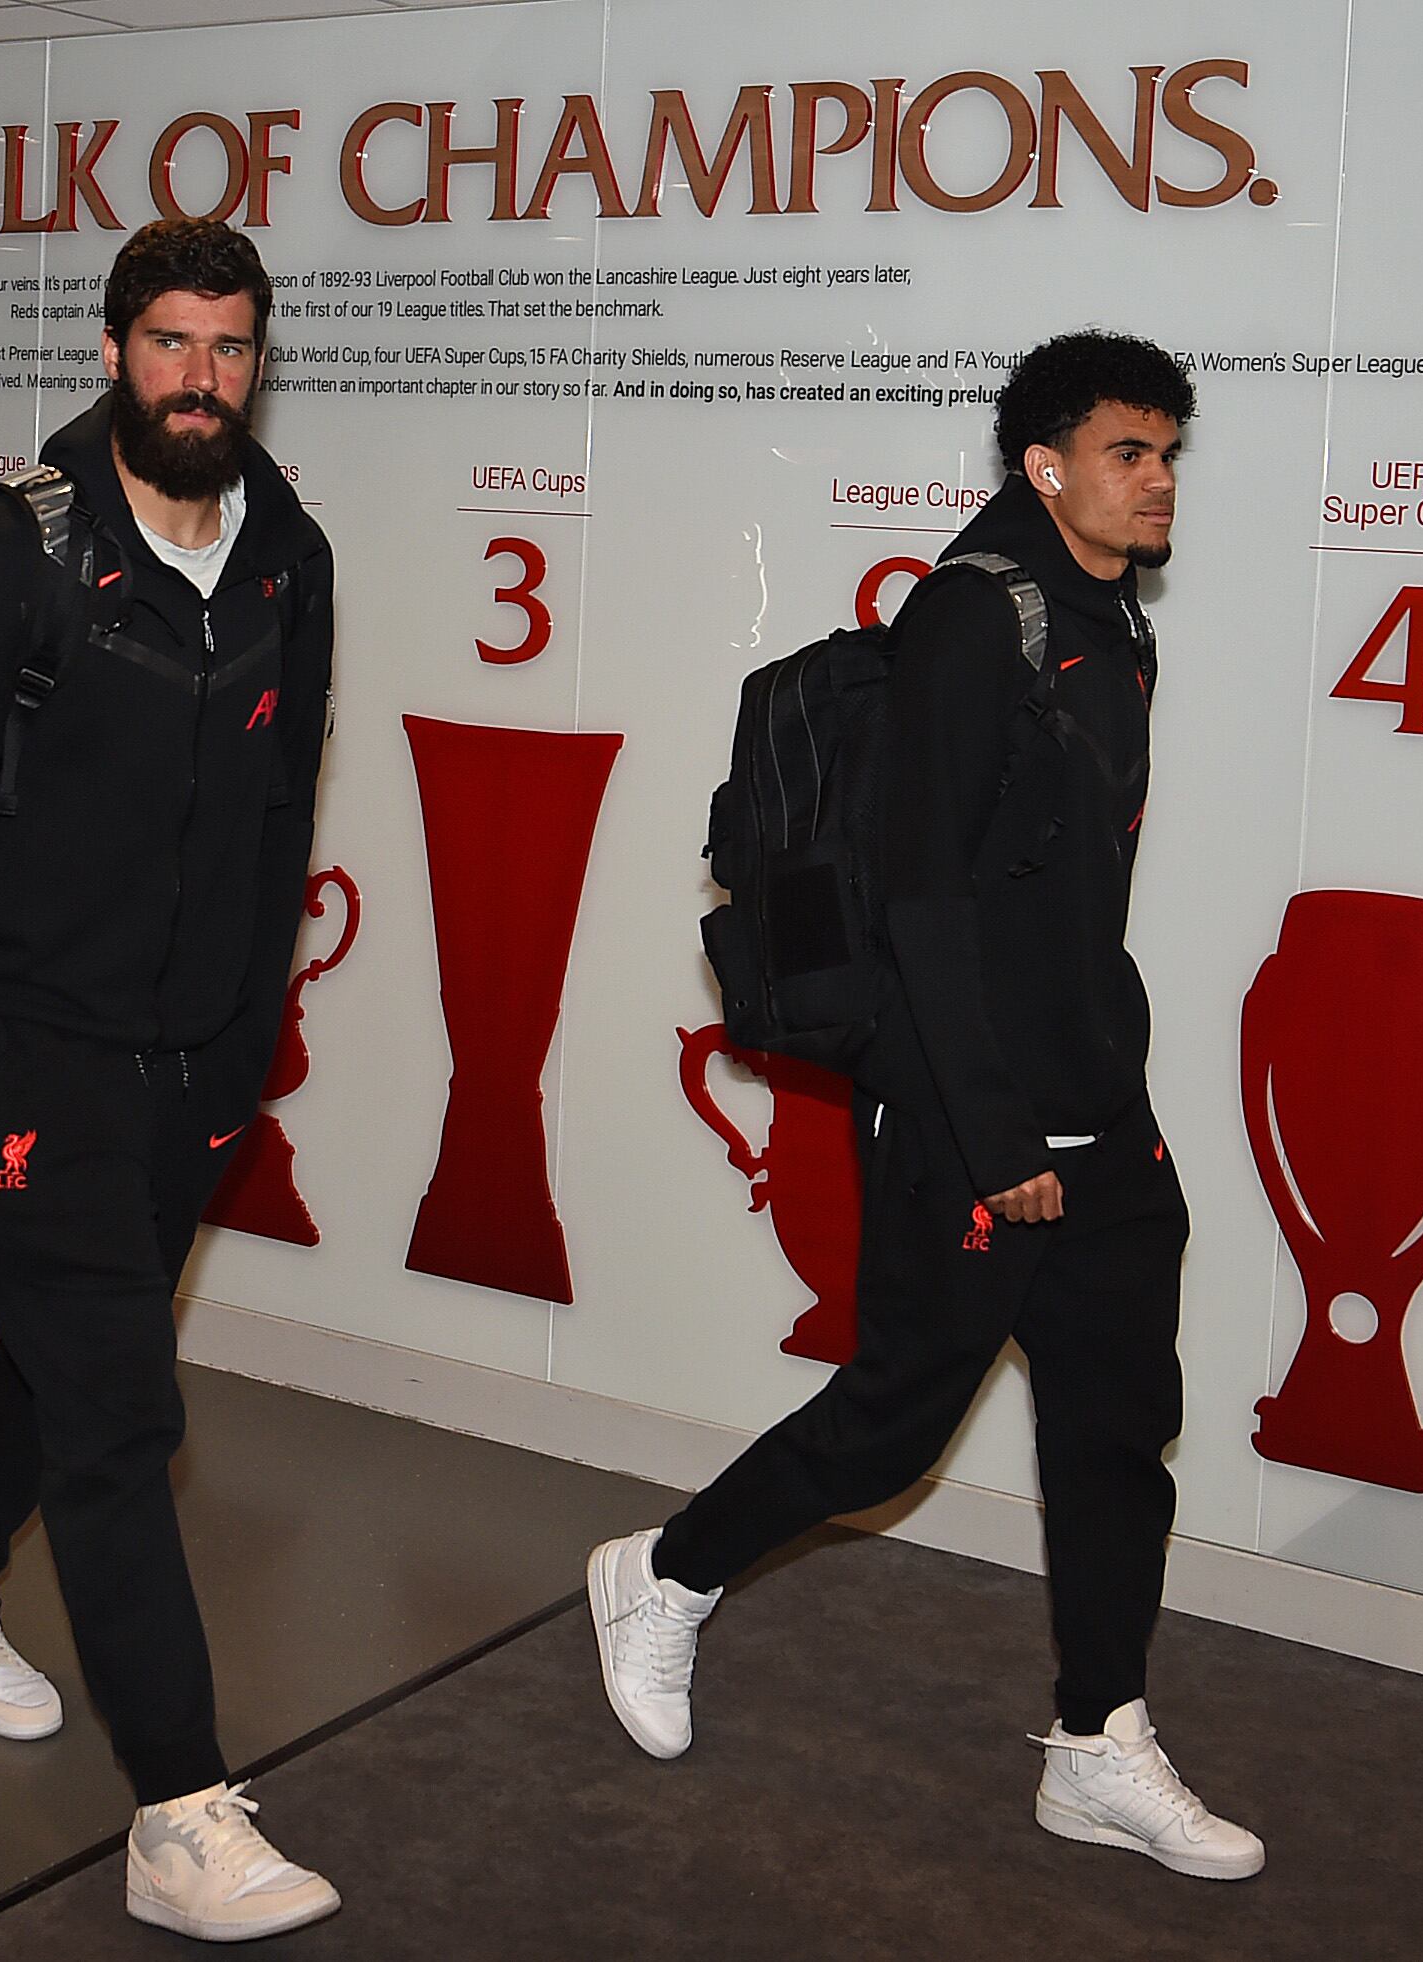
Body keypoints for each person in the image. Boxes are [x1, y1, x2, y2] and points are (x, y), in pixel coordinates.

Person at [589, 331, 1263, 1882]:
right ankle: (666, 1573)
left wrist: (1098, 1088)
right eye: (1129, 453)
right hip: (980, 1115)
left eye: (1169, 453)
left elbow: (1065, 895)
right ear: (1046, 466)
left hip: (1098, 1101)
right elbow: (924, 904)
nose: (1158, 480)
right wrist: (995, 1130)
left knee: (1117, 1432)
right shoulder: (975, 620)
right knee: (889, 1425)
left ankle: (1097, 1741)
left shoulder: (1112, 617)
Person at [0, 217, 338, 1943]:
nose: (199, 379)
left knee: (71, 1355)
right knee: (125, 1411)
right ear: (114, 350)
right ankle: (179, 1811)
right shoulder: (13, 558)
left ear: (257, 362)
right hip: (34, 1059)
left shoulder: (291, 555)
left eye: (229, 347)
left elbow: (280, 818)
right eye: (168, 343)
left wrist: (240, 1051)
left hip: (189, 1071)